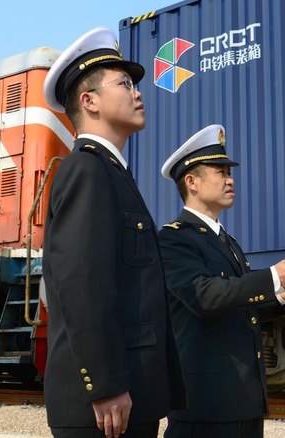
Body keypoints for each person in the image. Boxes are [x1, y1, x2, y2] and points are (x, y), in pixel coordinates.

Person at [41, 26, 185, 438]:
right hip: (103, 409)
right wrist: (104, 385)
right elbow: (82, 284)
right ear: (89, 101)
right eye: (125, 83)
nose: (139, 92)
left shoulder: (110, 172)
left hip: (122, 400)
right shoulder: (88, 170)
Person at [158, 124, 285, 438]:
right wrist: (270, 278)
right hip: (205, 404)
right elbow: (204, 296)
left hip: (243, 400)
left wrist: (280, 293)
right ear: (192, 182)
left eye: (229, 172)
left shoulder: (227, 241)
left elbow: (238, 307)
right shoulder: (173, 239)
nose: (230, 179)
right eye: (220, 171)